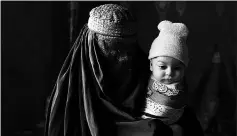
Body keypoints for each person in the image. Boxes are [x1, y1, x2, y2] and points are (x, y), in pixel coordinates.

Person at [44, 4, 176, 136]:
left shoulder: (155, 78)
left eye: (129, 49)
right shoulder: (68, 93)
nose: (124, 58)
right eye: (115, 49)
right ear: (92, 46)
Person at [141, 20, 204, 136]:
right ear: (151, 65)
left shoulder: (181, 87)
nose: (169, 72)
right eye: (162, 66)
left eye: (177, 68)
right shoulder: (141, 82)